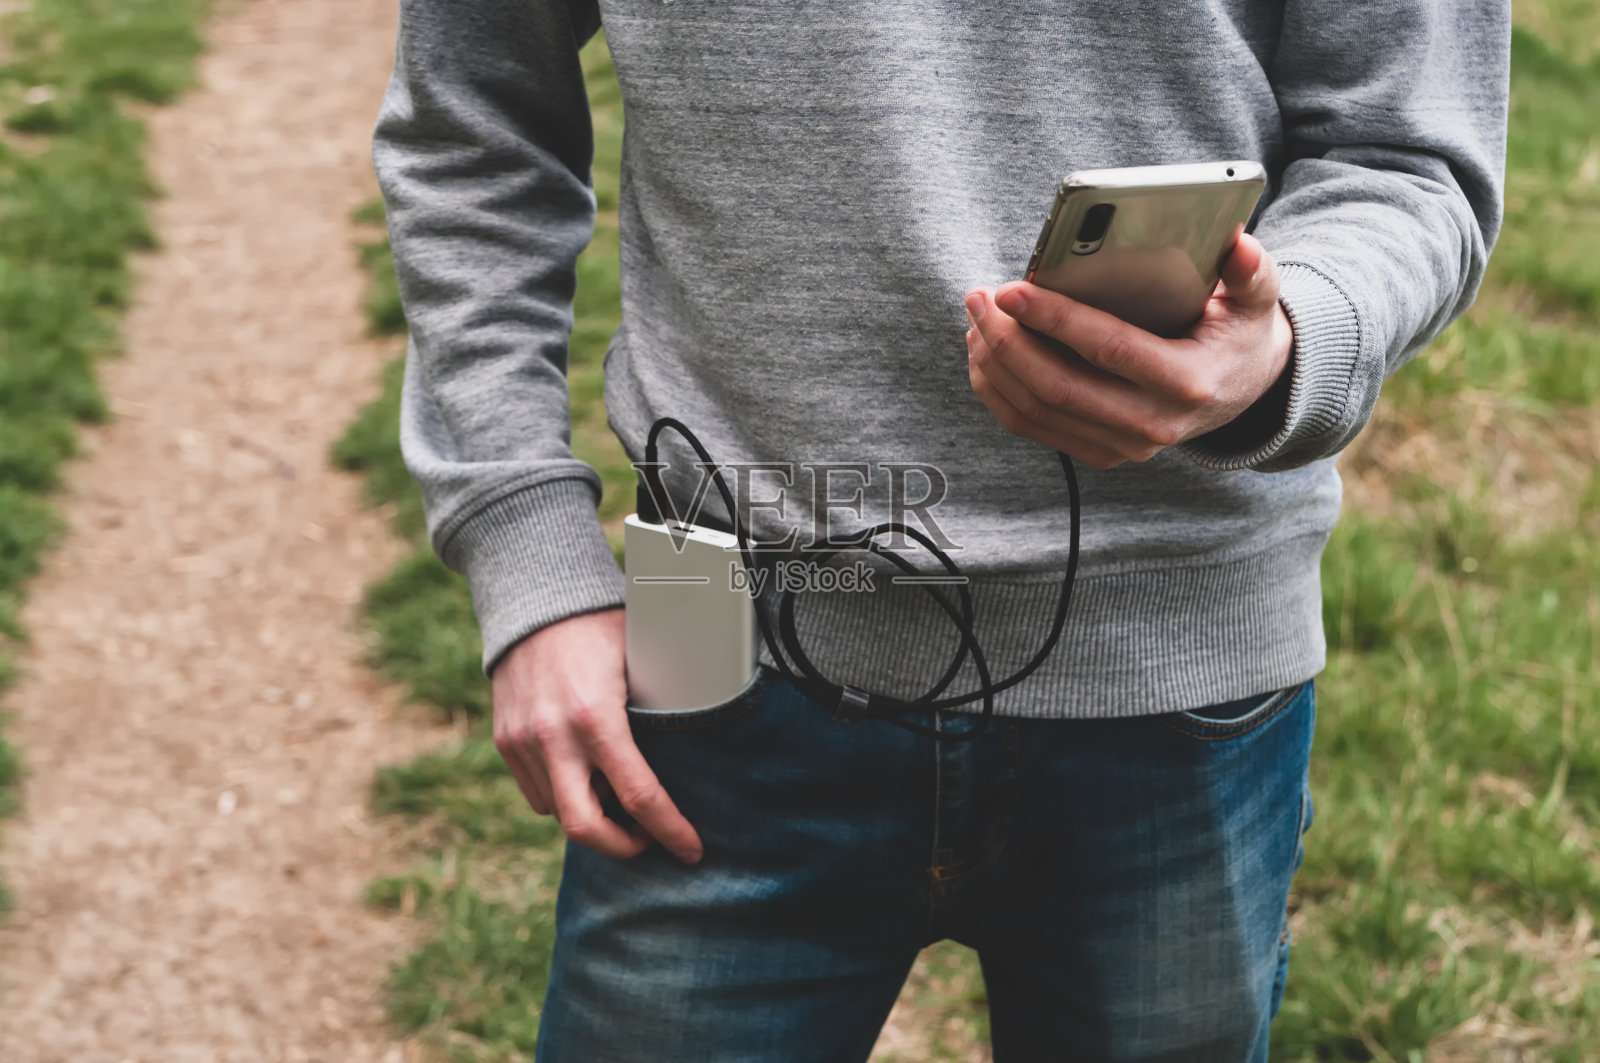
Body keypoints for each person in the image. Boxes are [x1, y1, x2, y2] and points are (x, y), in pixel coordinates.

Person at [372, 1, 1509, 1059]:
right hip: (712, 628)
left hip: (1183, 661)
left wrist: (1279, 345)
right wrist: (525, 549)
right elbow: (472, 124)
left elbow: (1407, 158)